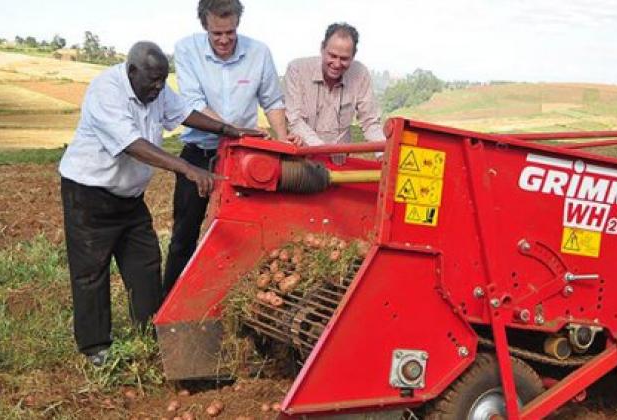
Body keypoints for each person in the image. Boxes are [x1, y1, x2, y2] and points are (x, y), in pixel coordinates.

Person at [59, 41, 256, 366]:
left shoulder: (157, 89)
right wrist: (187, 168)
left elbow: (184, 113)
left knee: (146, 264)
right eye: (153, 80)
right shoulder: (106, 91)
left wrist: (228, 130)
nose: (159, 87)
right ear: (132, 71)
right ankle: (96, 348)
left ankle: (150, 335)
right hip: (89, 194)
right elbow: (132, 144)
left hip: (130, 198)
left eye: (163, 80)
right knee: (91, 272)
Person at [163, 0, 292, 296]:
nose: (224, 40)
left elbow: (272, 101)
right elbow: (193, 104)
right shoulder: (187, 49)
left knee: (241, 234)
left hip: (244, 159)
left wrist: (283, 139)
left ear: (238, 24)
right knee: (184, 234)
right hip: (199, 155)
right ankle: (170, 303)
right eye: (216, 33)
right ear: (205, 26)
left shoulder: (259, 52)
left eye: (230, 32)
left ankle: (231, 300)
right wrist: (233, 131)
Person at [284, 22, 385, 155]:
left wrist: (384, 154)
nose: (337, 64)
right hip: (303, 157)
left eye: (344, 59)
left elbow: (370, 121)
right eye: (332, 56)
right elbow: (294, 119)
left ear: (353, 55)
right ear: (322, 48)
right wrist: (323, 150)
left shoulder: (360, 74)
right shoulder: (297, 70)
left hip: (340, 159)